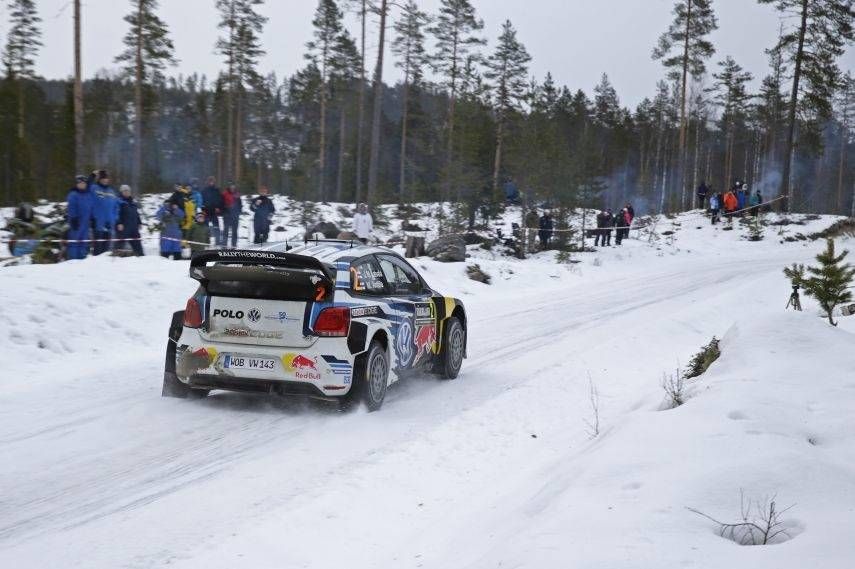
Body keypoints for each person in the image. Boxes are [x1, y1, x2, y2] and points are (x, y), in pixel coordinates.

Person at [89, 170, 119, 255]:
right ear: (99, 179)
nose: (104, 180)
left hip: (109, 223)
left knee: (106, 250)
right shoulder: (94, 188)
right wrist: (92, 176)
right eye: (102, 178)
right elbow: (86, 187)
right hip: (98, 222)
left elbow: (116, 207)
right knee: (98, 248)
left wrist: (115, 219)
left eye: (106, 178)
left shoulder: (112, 191)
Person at [66, 175, 95, 260]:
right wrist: (73, 218)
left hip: (86, 223)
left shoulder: (88, 194)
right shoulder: (73, 194)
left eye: (84, 183)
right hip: (76, 222)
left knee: (84, 242)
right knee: (74, 241)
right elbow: (71, 207)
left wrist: (92, 218)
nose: (82, 185)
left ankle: (82, 259)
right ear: (77, 184)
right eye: (80, 183)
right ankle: (73, 259)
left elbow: (91, 207)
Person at [116, 185, 143, 256]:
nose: (127, 192)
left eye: (128, 191)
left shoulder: (133, 202)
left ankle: (141, 257)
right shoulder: (119, 201)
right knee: (120, 244)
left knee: (137, 244)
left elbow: (136, 213)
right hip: (124, 226)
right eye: (125, 191)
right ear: (121, 192)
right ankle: (117, 258)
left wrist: (139, 222)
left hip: (134, 227)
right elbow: (116, 213)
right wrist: (119, 223)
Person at [201, 176, 223, 245]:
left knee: (216, 227)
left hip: (214, 212)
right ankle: (206, 242)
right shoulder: (204, 190)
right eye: (210, 181)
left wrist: (218, 207)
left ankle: (218, 242)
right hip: (206, 212)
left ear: (214, 182)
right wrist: (203, 209)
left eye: (212, 181)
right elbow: (202, 201)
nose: (211, 182)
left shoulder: (217, 190)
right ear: (208, 182)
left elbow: (220, 200)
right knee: (206, 228)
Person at [221, 183, 242, 248]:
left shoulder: (237, 194)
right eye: (231, 186)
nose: (232, 188)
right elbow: (221, 203)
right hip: (227, 215)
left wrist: (238, 211)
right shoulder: (224, 194)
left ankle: (234, 245)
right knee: (226, 231)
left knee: (234, 231)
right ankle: (224, 245)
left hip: (235, 216)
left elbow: (240, 205)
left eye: (233, 187)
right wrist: (226, 208)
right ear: (229, 187)